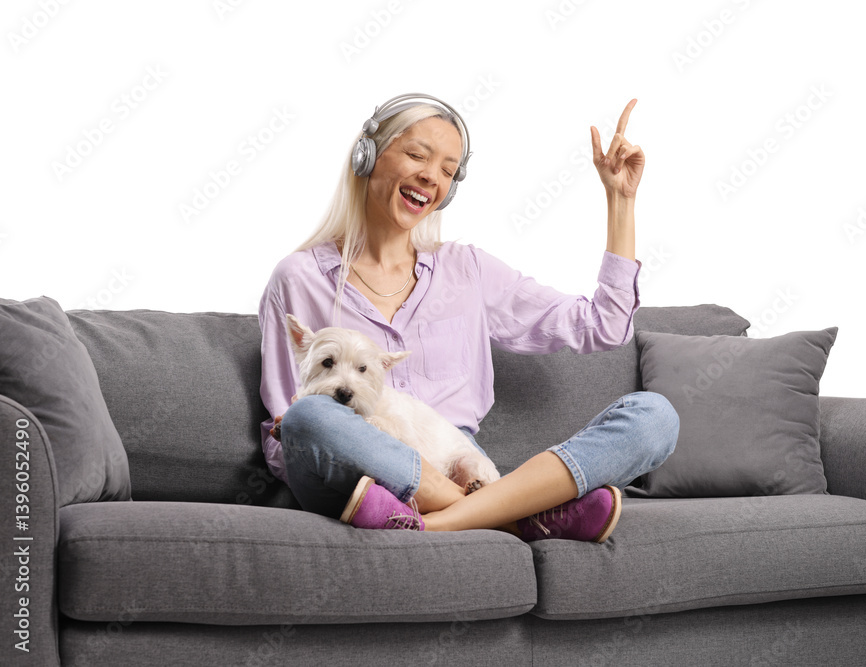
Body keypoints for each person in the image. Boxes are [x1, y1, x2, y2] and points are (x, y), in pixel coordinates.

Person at [258, 93, 678, 543]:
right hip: (349, 469)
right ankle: (511, 515)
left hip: (453, 456)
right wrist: (339, 438)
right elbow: (285, 430)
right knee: (306, 417)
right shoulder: (297, 278)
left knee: (656, 417)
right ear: (367, 155)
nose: (431, 176)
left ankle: (431, 520)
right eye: (417, 154)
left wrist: (620, 200)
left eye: (447, 170)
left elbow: (605, 324)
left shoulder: (468, 271)